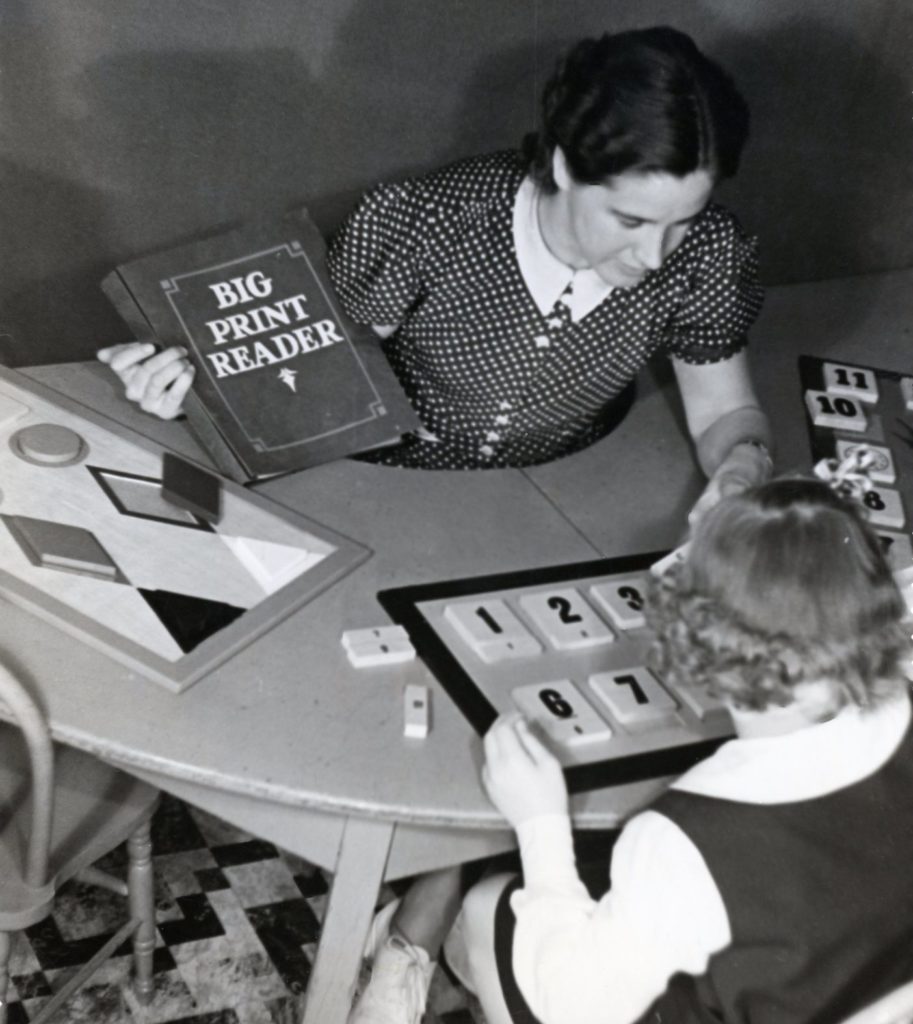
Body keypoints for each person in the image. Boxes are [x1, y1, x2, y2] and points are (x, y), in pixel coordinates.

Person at [97, 26, 772, 521]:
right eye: (629, 221)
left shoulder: (709, 253)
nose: (656, 255)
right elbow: (306, 387)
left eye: (681, 220)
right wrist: (189, 396)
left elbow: (724, 407)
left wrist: (741, 472)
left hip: (560, 499)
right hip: (389, 494)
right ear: (566, 167)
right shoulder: (431, 220)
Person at [440, 475, 913, 1024]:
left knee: (488, 904)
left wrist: (539, 823)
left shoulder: (680, 839)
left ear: (699, 648)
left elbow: (573, 1008)